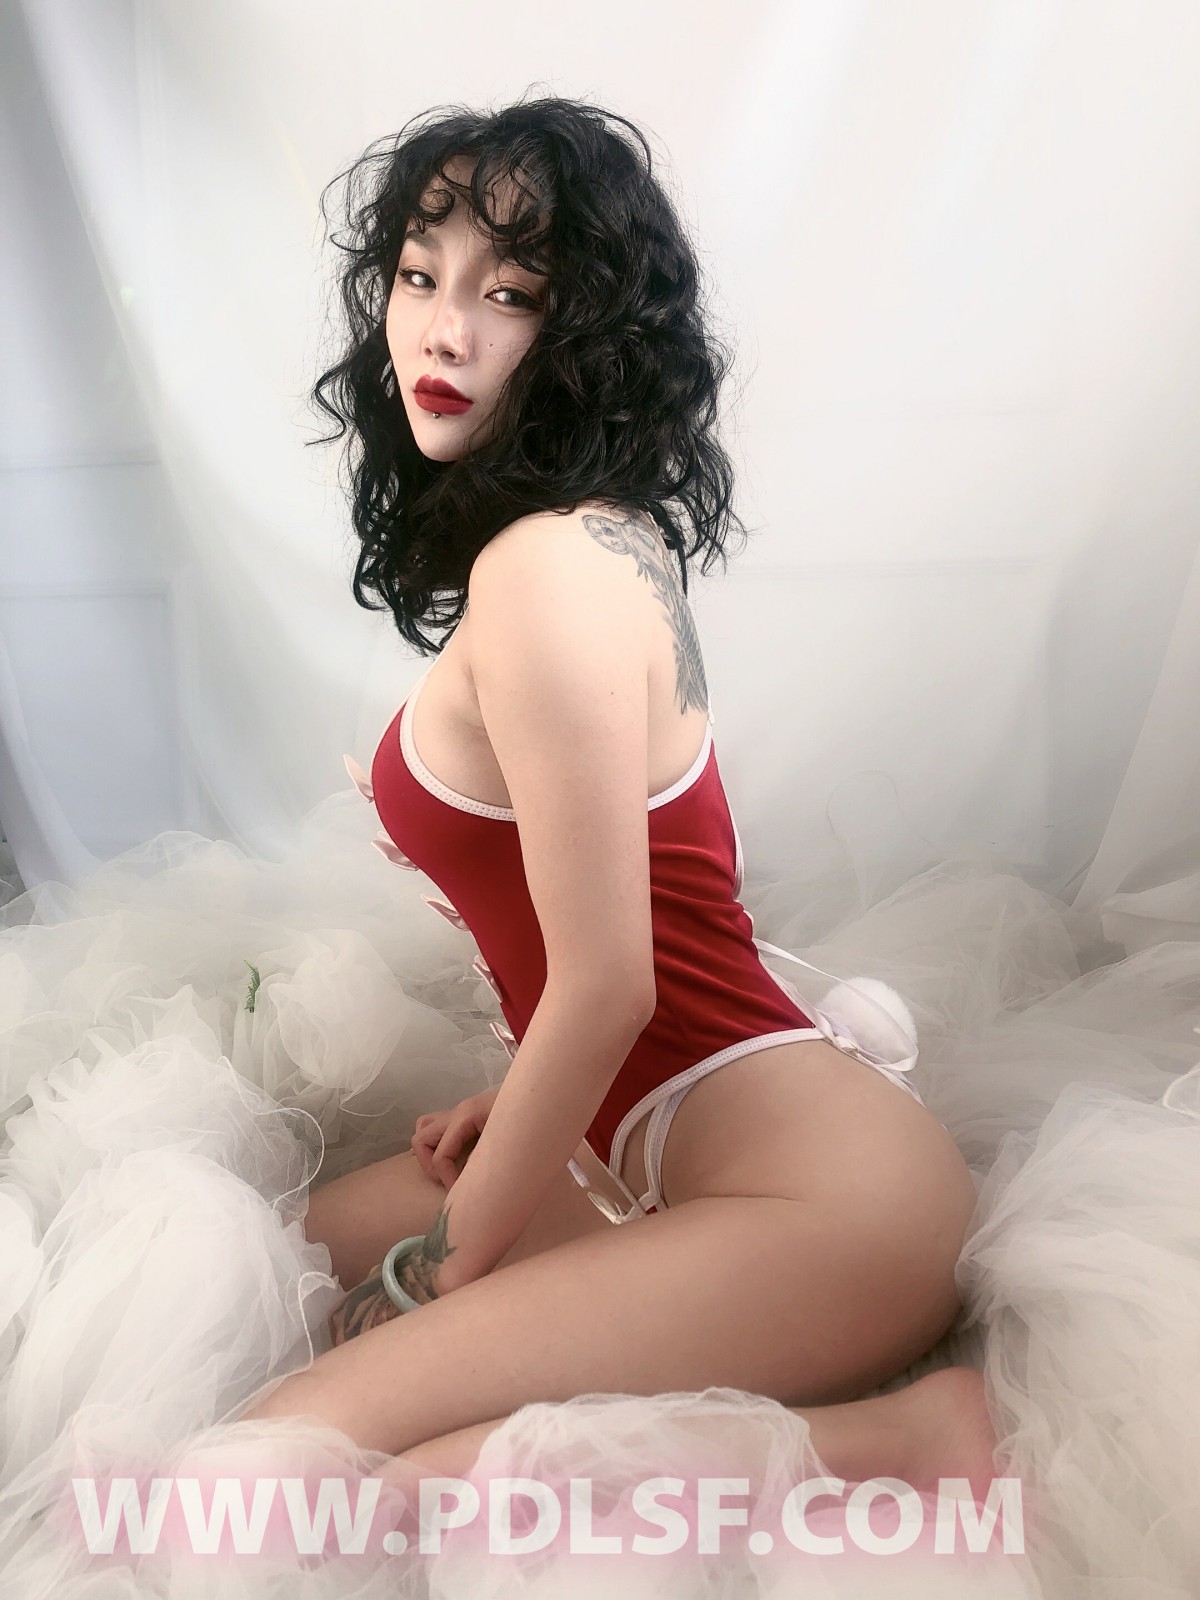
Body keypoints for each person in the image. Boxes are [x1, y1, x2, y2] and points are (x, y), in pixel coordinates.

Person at [237, 91, 997, 1496]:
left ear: (585, 334)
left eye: (509, 294)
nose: (442, 331)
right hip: (650, 1143)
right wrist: (529, 1104)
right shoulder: (582, 542)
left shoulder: (552, 573)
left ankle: (902, 1438)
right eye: (420, 275)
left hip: (822, 1203)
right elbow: (609, 943)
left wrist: (448, 1269)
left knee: (310, 1467)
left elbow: (609, 987)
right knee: (258, 1265)